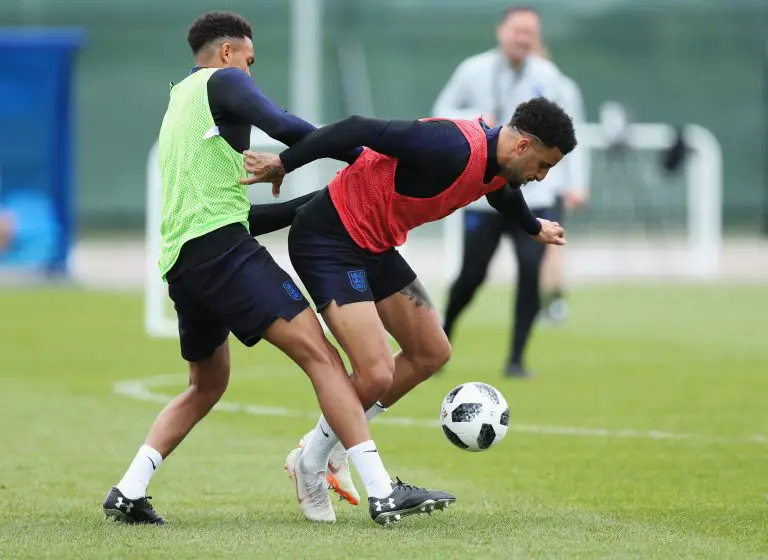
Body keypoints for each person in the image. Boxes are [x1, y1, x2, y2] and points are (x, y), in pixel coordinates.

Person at [102, 11, 451, 527]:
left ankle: (129, 490)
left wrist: (323, 198)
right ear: (227, 54)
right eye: (249, 60)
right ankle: (380, 490)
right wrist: (364, 157)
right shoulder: (222, 82)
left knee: (207, 384)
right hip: (225, 255)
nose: (249, 72)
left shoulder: (179, 103)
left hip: (184, 264)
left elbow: (241, 213)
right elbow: (286, 126)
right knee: (325, 360)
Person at [241, 97, 576, 510]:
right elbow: (356, 126)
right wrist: (284, 164)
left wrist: (532, 227)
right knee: (376, 372)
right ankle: (311, 465)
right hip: (329, 241)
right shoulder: (450, 145)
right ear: (523, 147)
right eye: (544, 165)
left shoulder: (499, 164)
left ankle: (328, 449)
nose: (542, 177)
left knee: (431, 352)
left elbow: (501, 193)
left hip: (376, 247)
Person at [432, 5, 587, 377]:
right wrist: (475, 119)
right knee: (472, 274)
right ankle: (440, 339)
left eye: (529, 33)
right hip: (484, 191)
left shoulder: (549, 77)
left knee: (531, 271)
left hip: (534, 197)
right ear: (501, 31)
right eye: (517, 31)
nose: (523, 39)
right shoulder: (473, 69)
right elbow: (441, 110)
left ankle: (517, 358)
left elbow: (569, 132)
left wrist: (576, 184)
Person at [536, 42, 590, 324]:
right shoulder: (504, 83)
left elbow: (575, 139)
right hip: (517, 184)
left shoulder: (563, 88)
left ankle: (552, 302)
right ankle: (533, 302)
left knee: (551, 245)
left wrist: (576, 183)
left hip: (550, 185)